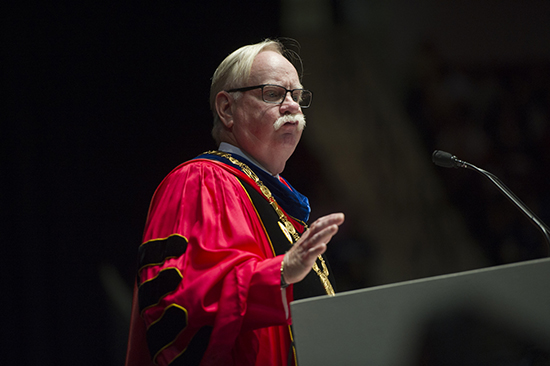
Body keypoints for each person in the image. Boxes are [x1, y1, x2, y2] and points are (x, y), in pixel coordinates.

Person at [125, 39, 345, 366]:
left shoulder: (279, 204)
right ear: (227, 109)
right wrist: (279, 273)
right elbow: (180, 304)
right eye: (273, 94)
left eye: (297, 96)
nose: (292, 106)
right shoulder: (200, 180)